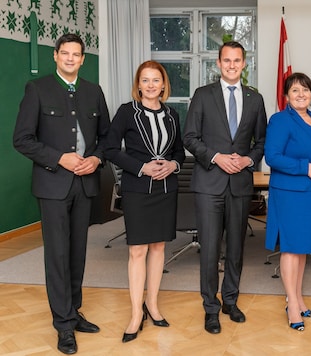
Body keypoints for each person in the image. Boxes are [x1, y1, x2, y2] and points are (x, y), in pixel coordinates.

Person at [12, 33, 110, 355]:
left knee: (78, 253)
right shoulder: (37, 89)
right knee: (57, 255)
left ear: (83, 59)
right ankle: (63, 325)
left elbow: (105, 140)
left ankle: (73, 310)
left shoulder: (94, 92)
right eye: (64, 53)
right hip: (53, 185)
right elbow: (22, 139)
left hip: (85, 184)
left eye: (76, 54)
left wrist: (95, 159)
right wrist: (59, 158)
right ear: (55, 56)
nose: (70, 58)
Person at [183, 41, 267, 335]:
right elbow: (190, 138)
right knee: (209, 249)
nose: (232, 65)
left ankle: (230, 300)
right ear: (218, 63)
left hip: (240, 184)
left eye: (237, 61)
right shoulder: (202, 95)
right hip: (209, 182)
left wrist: (248, 159)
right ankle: (210, 307)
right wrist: (216, 158)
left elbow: (262, 142)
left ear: (245, 63)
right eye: (227, 61)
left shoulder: (255, 99)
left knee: (236, 247)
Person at [103, 60, 185, 343]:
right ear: (138, 85)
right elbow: (110, 149)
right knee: (138, 250)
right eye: (145, 80)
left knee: (159, 247)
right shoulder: (127, 112)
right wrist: (141, 167)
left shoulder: (173, 114)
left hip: (166, 190)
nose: (151, 85)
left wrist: (173, 166)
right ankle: (136, 312)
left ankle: (153, 304)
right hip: (138, 188)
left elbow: (179, 152)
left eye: (156, 80)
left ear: (164, 85)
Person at [264, 72, 311, 332]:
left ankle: (299, 297)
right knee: (291, 248)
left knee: (303, 248)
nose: (301, 94)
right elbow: (272, 156)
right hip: (290, 193)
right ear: (286, 96)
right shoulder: (281, 120)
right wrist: (305, 167)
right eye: (295, 90)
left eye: (305, 90)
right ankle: (292, 304)